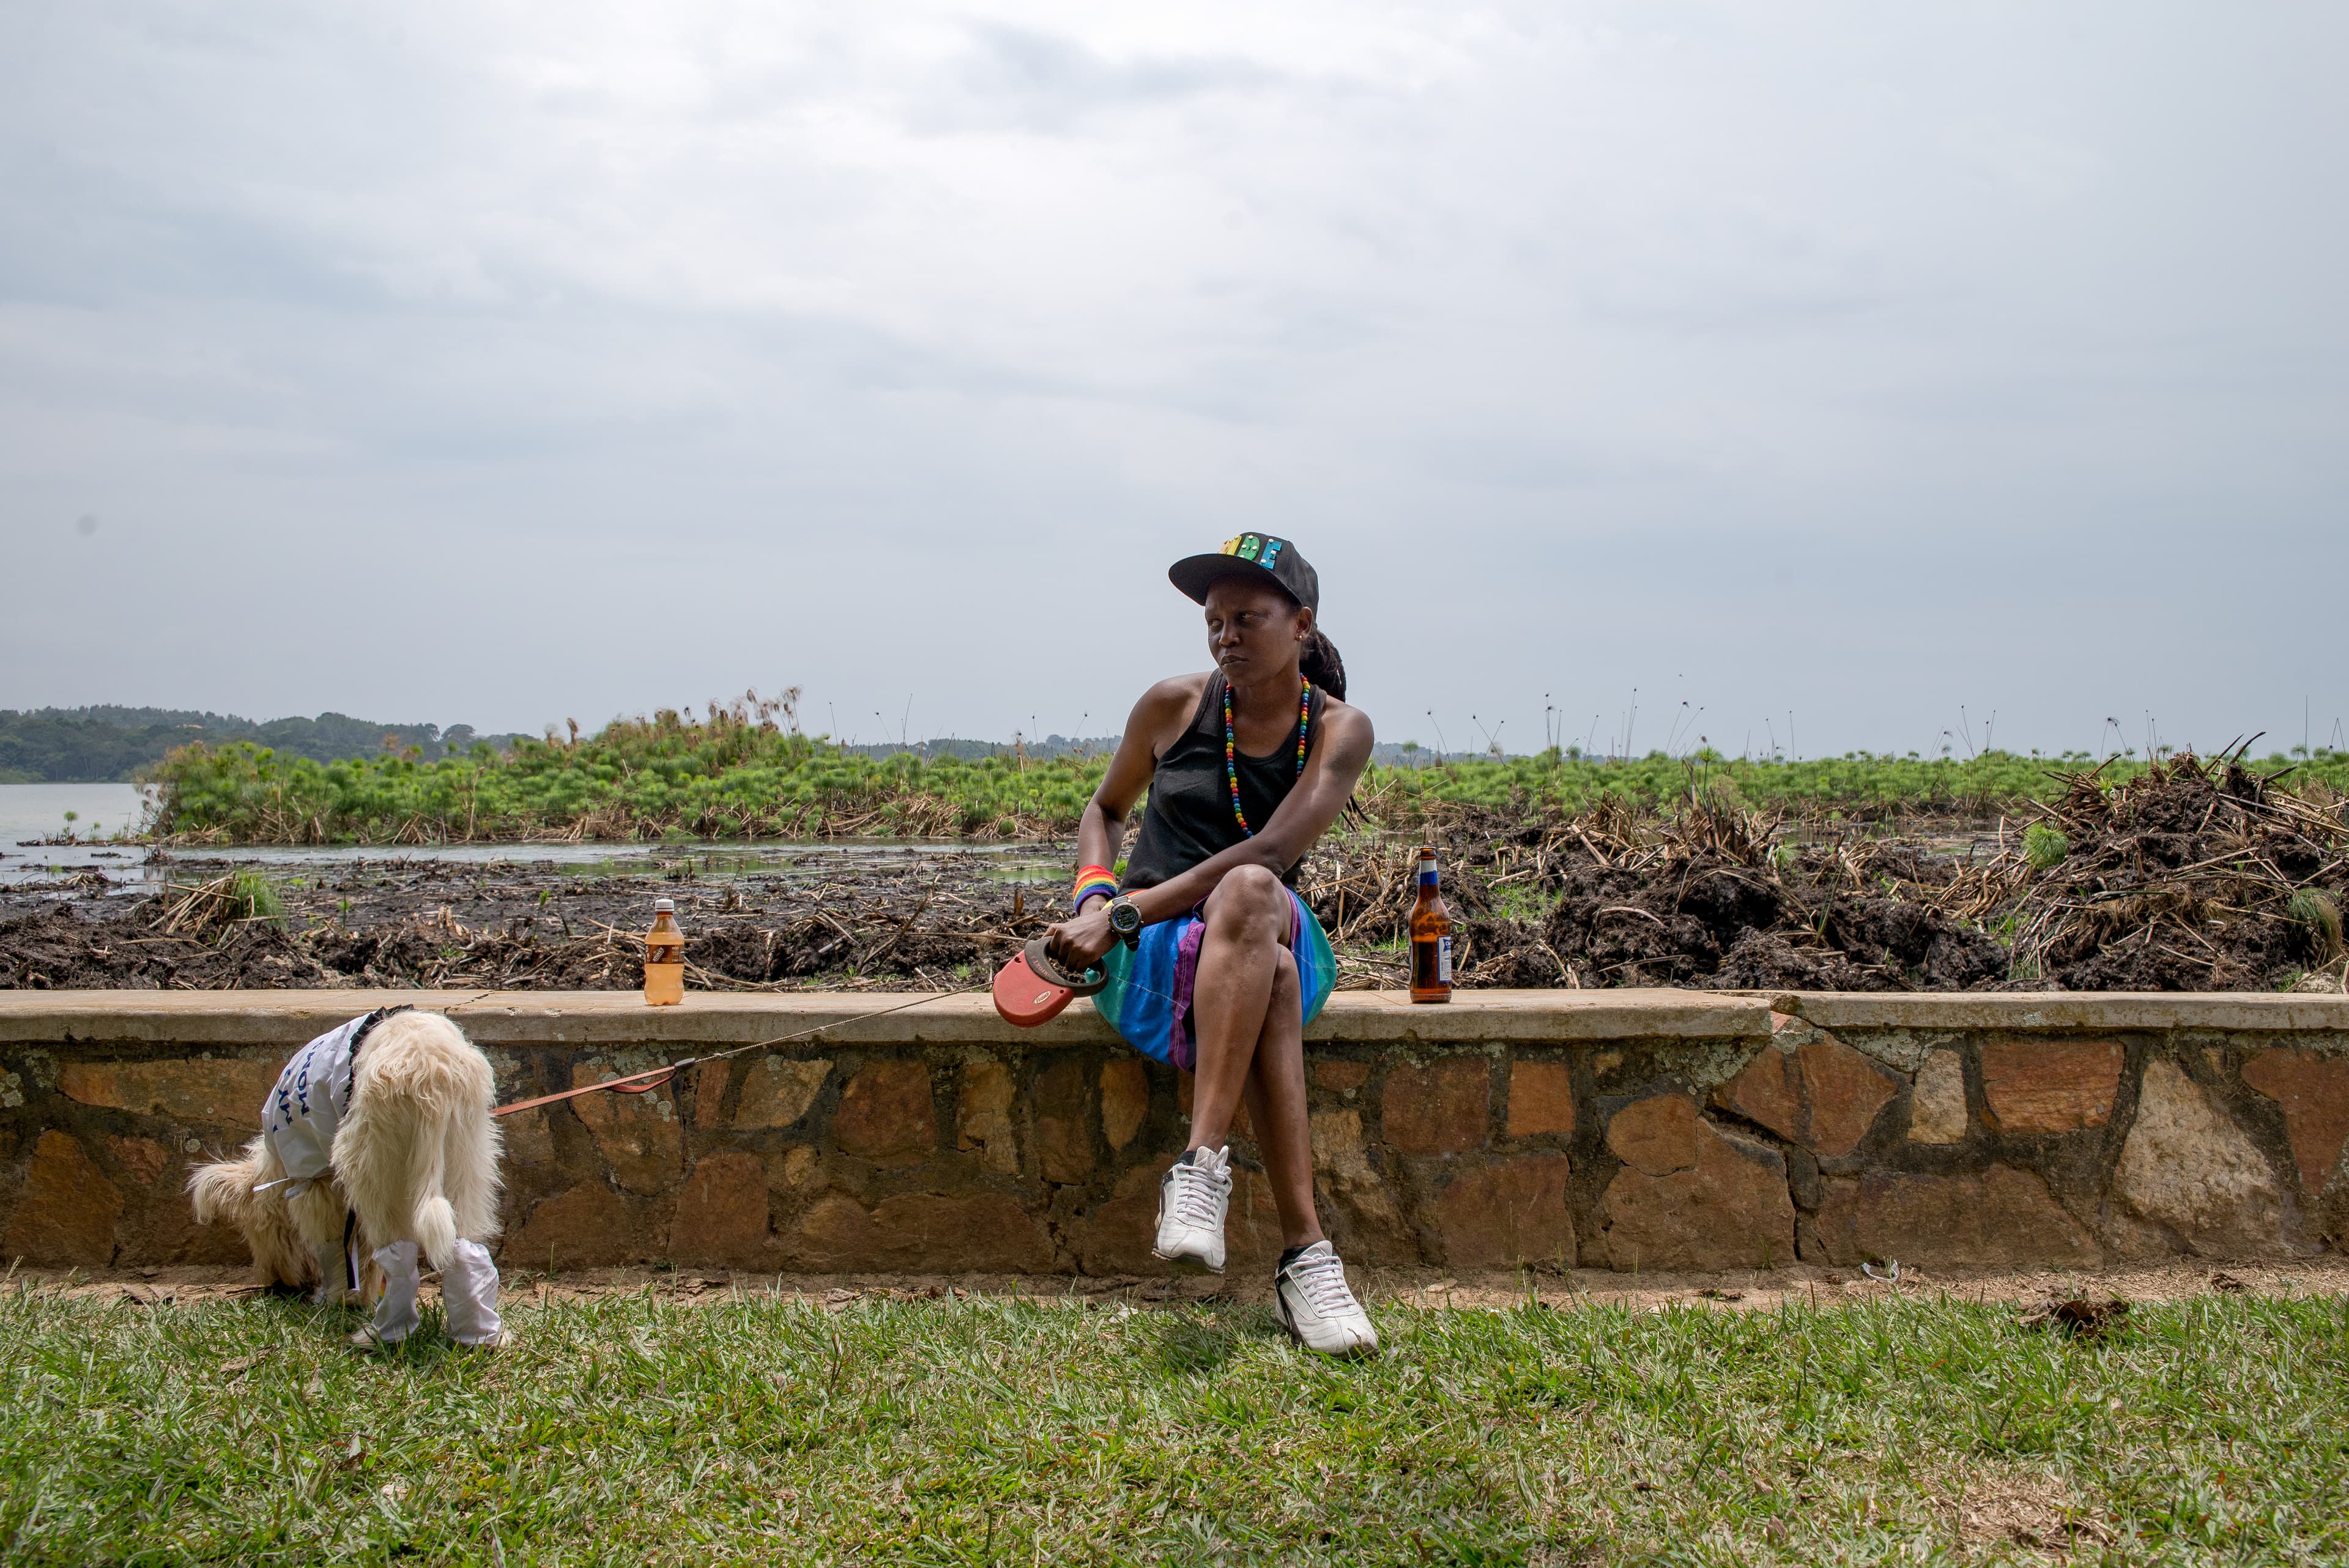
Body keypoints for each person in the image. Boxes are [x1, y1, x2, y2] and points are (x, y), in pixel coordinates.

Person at [1044, 534, 1378, 1356]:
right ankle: (1308, 1258)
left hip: (1239, 915)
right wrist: (1094, 894)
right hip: (1164, 953)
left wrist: (1121, 915)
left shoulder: (1341, 730)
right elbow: (1104, 811)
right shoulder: (1172, 705)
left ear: (1302, 625)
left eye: (1247, 619)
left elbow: (1274, 850)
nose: (1226, 636)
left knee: (1253, 889)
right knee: (1274, 978)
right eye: (1215, 622)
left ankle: (1199, 1164)